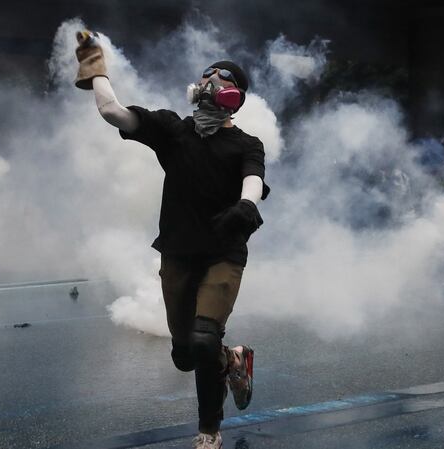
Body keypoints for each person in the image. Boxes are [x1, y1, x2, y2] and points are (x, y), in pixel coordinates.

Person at [74, 31, 269, 449]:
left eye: (217, 79)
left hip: (223, 254)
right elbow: (112, 112)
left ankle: (209, 431)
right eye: (205, 77)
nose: (207, 84)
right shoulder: (172, 130)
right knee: (185, 354)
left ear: (233, 95)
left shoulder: (246, 144)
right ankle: (233, 359)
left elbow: (254, 179)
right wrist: (95, 69)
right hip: (178, 255)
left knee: (203, 340)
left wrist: (246, 205)